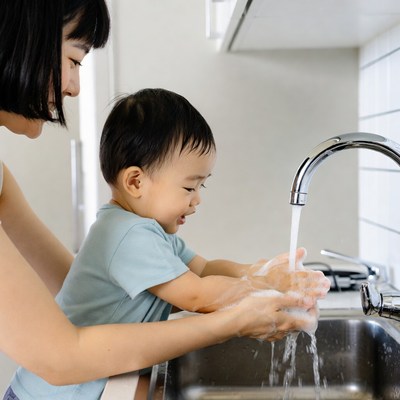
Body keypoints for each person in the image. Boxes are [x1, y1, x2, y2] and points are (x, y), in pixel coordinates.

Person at [0, 1, 330, 399]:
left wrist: (258, 278)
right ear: (19, 38)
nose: (74, 86)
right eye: (74, 59)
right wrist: (237, 316)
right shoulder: (132, 233)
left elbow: (69, 285)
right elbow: (58, 357)